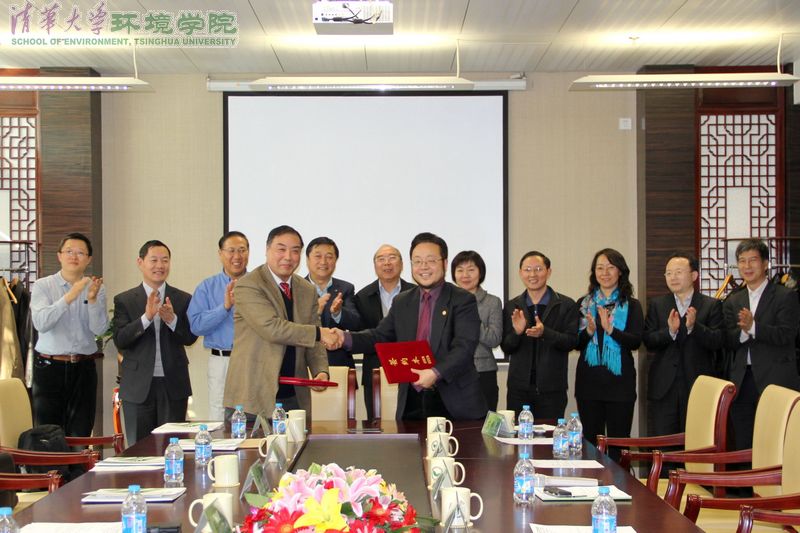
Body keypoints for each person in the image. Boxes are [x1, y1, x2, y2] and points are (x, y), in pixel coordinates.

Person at [340, 232, 488, 420]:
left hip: (453, 400)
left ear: (444, 263)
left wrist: (435, 372)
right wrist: (344, 338)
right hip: (412, 399)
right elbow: (379, 336)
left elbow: (464, 347)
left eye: (431, 260)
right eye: (417, 261)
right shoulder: (402, 301)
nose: (423, 267)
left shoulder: (462, 299)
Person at [223, 225, 337, 422]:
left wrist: (320, 371)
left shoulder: (307, 289)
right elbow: (272, 328)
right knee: (250, 444)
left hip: (294, 395)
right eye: (281, 249)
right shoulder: (249, 284)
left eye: (295, 251)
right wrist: (319, 333)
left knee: (298, 443)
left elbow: (314, 340)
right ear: (267, 250)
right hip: (252, 395)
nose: (288, 257)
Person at [113, 240, 198, 444]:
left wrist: (172, 320)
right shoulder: (125, 300)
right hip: (137, 386)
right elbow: (121, 339)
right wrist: (146, 317)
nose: (160, 265)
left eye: (165, 260)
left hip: (173, 384)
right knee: (138, 449)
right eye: (154, 260)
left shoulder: (183, 298)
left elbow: (190, 337)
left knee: (173, 446)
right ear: (140, 262)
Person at [723, 238, 800, 451]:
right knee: (744, 443)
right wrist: (744, 331)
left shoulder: (786, 296)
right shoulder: (733, 300)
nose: (747, 266)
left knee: (776, 442)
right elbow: (727, 339)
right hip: (742, 380)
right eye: (742, 261)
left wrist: (754, 327)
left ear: (765, 263)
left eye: (753, 260)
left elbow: (787, 334)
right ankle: (747, 475)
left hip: (776, 378)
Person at [30, 232, 108, 437]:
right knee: (48, 434)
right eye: (69, 251)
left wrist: (92, 300)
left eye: (80, 253)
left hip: (83, 368)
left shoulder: (96, 288)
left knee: (81, 432)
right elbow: (41, 323)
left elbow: (100, 330)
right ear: (59, 256)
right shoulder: (42, 285)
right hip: (49, 367)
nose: (74, 256)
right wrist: (71, 295)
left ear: (88, 259)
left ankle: (78, 461)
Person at [643, 251, 724, 436]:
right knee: (664, 442)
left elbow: (718, 341)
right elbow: (648, 341)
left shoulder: (711, 305)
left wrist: (694, 327)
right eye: (669, 273)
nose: (673, 277)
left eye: (679, 272)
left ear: (694, 275)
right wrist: (670, 332)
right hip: (664, 387)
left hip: (697, 384)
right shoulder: (657, 304)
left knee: (696, 440)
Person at [575, 248, 643, 454]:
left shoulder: (632, 305)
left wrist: (611, 330)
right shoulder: (584, 304)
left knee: (618, 444)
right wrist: (588, 331)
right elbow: (576, 343)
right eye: (600, 268)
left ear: (620, 271)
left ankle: (618, 476)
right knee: (590, 443)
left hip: (620, 384)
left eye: (610, 267)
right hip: (589, 383)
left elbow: (635, 342)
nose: (605, 273)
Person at [501, 251, 579, 419]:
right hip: (518, 389)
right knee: (518, 433)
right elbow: (506, 347)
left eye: (538, 269)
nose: (532, 274)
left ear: (548, 272)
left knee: (550, 434)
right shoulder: (512, 306)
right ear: (520, 273)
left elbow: (572, 342)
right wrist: (517, 333)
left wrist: (546, 333)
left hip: (552, 389)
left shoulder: (566, 305)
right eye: (527, 270)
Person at [187, 231, 250, 421]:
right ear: (220, 254)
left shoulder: (259, 285)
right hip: (221, 360)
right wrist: (224, 308)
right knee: (219, 414)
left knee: (254, 412)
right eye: (231, 250)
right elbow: (196, 326)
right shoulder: (207, 287)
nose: (237, 256)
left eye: (242, 250)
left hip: (253, 360)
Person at [353, 244, 415, 419]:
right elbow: (362, 334)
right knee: (375, 423)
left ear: (402, 264)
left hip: (410, 369)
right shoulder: (362, 296)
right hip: (374, 370)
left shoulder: (416, 293)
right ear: (375, 266)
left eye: (392, 258)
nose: (387, 263)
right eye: (381, 259)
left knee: (411, 423)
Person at [451, 250, 502, 411]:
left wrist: (471, 322)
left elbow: (494, 339)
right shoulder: (447, 302)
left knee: (485, 421)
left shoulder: (492, 302)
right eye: (460, 270)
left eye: (471, 270)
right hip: (452, 371)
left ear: (480, 273)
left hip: (483, 372)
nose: (465, 275)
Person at [304, 236, 361, 367]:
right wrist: (314, 312)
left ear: (336, 260)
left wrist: (338, 313)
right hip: (304, 363)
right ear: (307, 259)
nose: (323, 262)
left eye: (329, 257)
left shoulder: (346, 288)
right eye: (318, 256)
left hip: (338, 362)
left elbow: (356, 323)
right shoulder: (296, 288)